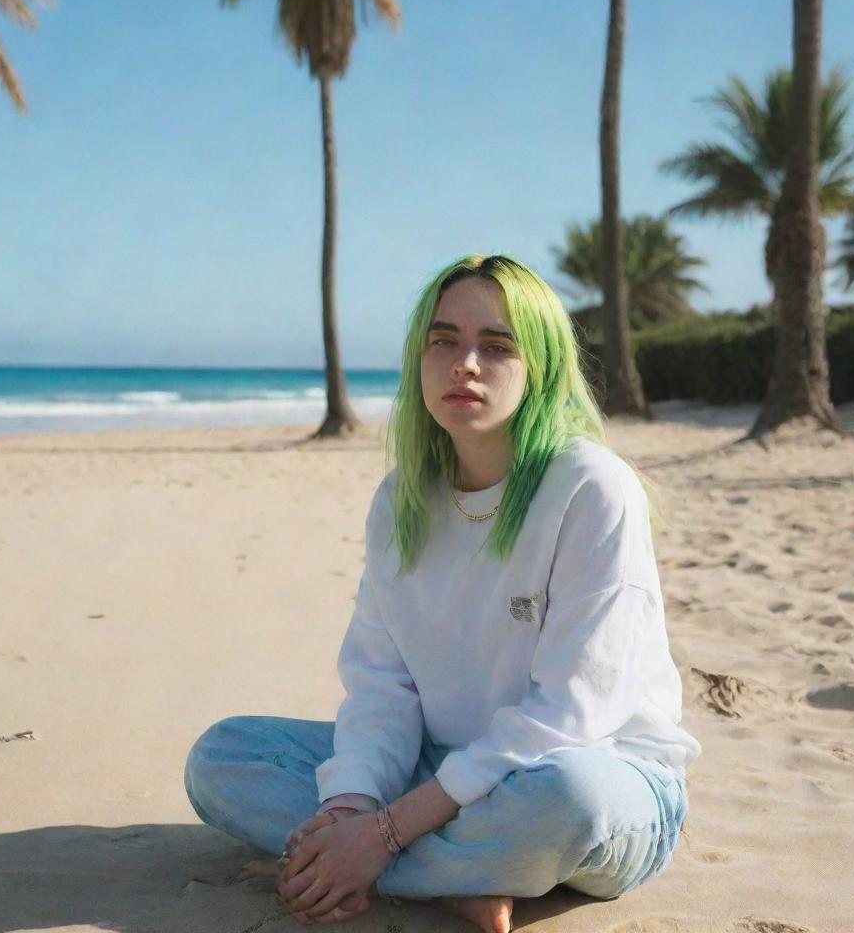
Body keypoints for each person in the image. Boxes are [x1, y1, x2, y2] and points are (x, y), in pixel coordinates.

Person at [184, 254, 701, 933]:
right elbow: (381, 687)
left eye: (497, 345)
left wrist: (384, 833)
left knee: (570, 799)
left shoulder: (590, 488)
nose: (466, 364)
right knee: (223, 757)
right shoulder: (401, 499)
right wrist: (349, 812)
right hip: (443, 772)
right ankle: (452, 879)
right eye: (444, 341)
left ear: (539, 365)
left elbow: (572, 715)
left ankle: (392, 867)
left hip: (604, 780)